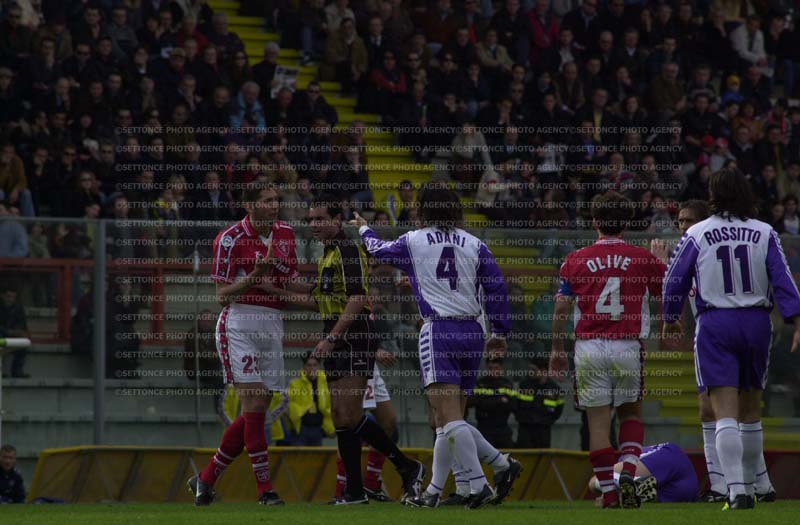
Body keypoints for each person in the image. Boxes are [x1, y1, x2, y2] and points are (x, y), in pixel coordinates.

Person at [351, 184, 522, 509]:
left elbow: (378, 251)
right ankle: (438, 490)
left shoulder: (414, 240)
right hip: (473, 331)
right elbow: (497, 287)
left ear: (423, 209)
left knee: (447, 416)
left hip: (440, 329)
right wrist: (500, 329)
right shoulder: (475, 244)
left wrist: (363, 228)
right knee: (447, 420)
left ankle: (483, 481)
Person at [266, 195, 425, 505]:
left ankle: (403, 468)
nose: (313, 224)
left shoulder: (348, 250)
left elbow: (356, 299)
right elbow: (318, 299)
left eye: (320, 218)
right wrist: (273, 287)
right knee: (342, 416)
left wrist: (331, 339)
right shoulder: (328, 254)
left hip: (354, 336)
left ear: (337, 220)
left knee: (349, 414)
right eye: (310, 219)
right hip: (338, 334)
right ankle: (358, 489)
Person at [662, 168, 800, 510]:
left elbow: (675, 279)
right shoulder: (765, 232)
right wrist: (796, 320)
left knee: (724, 411)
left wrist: (670, 316)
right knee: (751, 411)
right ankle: (754, 484)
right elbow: (783, 280)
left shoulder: (697, 232)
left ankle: (737, 491)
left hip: (716, 321)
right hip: (756, 322)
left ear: (713, 194)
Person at [550, 191, 667, 509]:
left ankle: (610, 493)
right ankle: (627, 471)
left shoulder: (575, 259)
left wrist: (557, 348)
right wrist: (661, 263)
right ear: (627, 223)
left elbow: (561, 307)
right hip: (627, 344)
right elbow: (667, 294)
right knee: (631, 413)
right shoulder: (642, 258)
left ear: (594, 221)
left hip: (588, 347)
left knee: (597, 423)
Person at [188, 182, 299, 507]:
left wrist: (322, 291)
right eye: (266, 200)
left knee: (258, 407)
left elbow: (291, 279)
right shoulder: (229, 239)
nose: (274, 205)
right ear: (249, 206)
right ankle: (265, 490)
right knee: (253, 405)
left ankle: (206, 478)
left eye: (276, 199)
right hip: (239, 322)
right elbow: (221, 296)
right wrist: (254, 276)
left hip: (272, 322)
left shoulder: (286, 233)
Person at [588, 442, 699, 504]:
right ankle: (632, 487)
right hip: (679, 491)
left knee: (593, 483)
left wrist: (609, 494)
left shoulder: (624, 460)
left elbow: (598, 480)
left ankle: (631, 485)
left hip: (670, 457)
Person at [515, 358, 564, 448]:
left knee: (543, 456)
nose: (530, 372)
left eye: (533, 370)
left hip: (543, 431)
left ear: (543, 371)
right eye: (529, 369)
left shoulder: (555, 389)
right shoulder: (524, 385)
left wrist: (547, 421)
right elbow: (516, 405)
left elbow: (558, 410)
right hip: (525, 430)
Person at [288, 352, 335, 446]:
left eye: (315, 365)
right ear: (304, 367)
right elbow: (290, 406)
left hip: (319, 428)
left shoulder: (326, 383)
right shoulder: (295, 384)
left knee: (317, 455)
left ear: (319, 367)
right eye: (309, 365)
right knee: (300, 455)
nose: (312, 368)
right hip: (301, 428)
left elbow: (331, 404)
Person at [468, 357, 515, 448]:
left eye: (496, 368)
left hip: (502, 427)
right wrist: (500, 400)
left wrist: (487, 401)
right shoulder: (480, 383)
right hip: (484, 428)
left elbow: (512, 405)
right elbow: (473, 402)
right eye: (490, 368)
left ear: (501, 368)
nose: (493, 371)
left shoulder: (507, 384)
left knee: (508, 454)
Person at [0, 285, 30, 378]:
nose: (10, 299)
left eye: (13, 297)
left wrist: (17, 331)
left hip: (11, 334)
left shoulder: (18, 308)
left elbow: (22, 323)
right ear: (2, 296)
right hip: (2, 334)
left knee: (23, 341)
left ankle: (17, 370)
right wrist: (8, 331)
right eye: (8, 296)